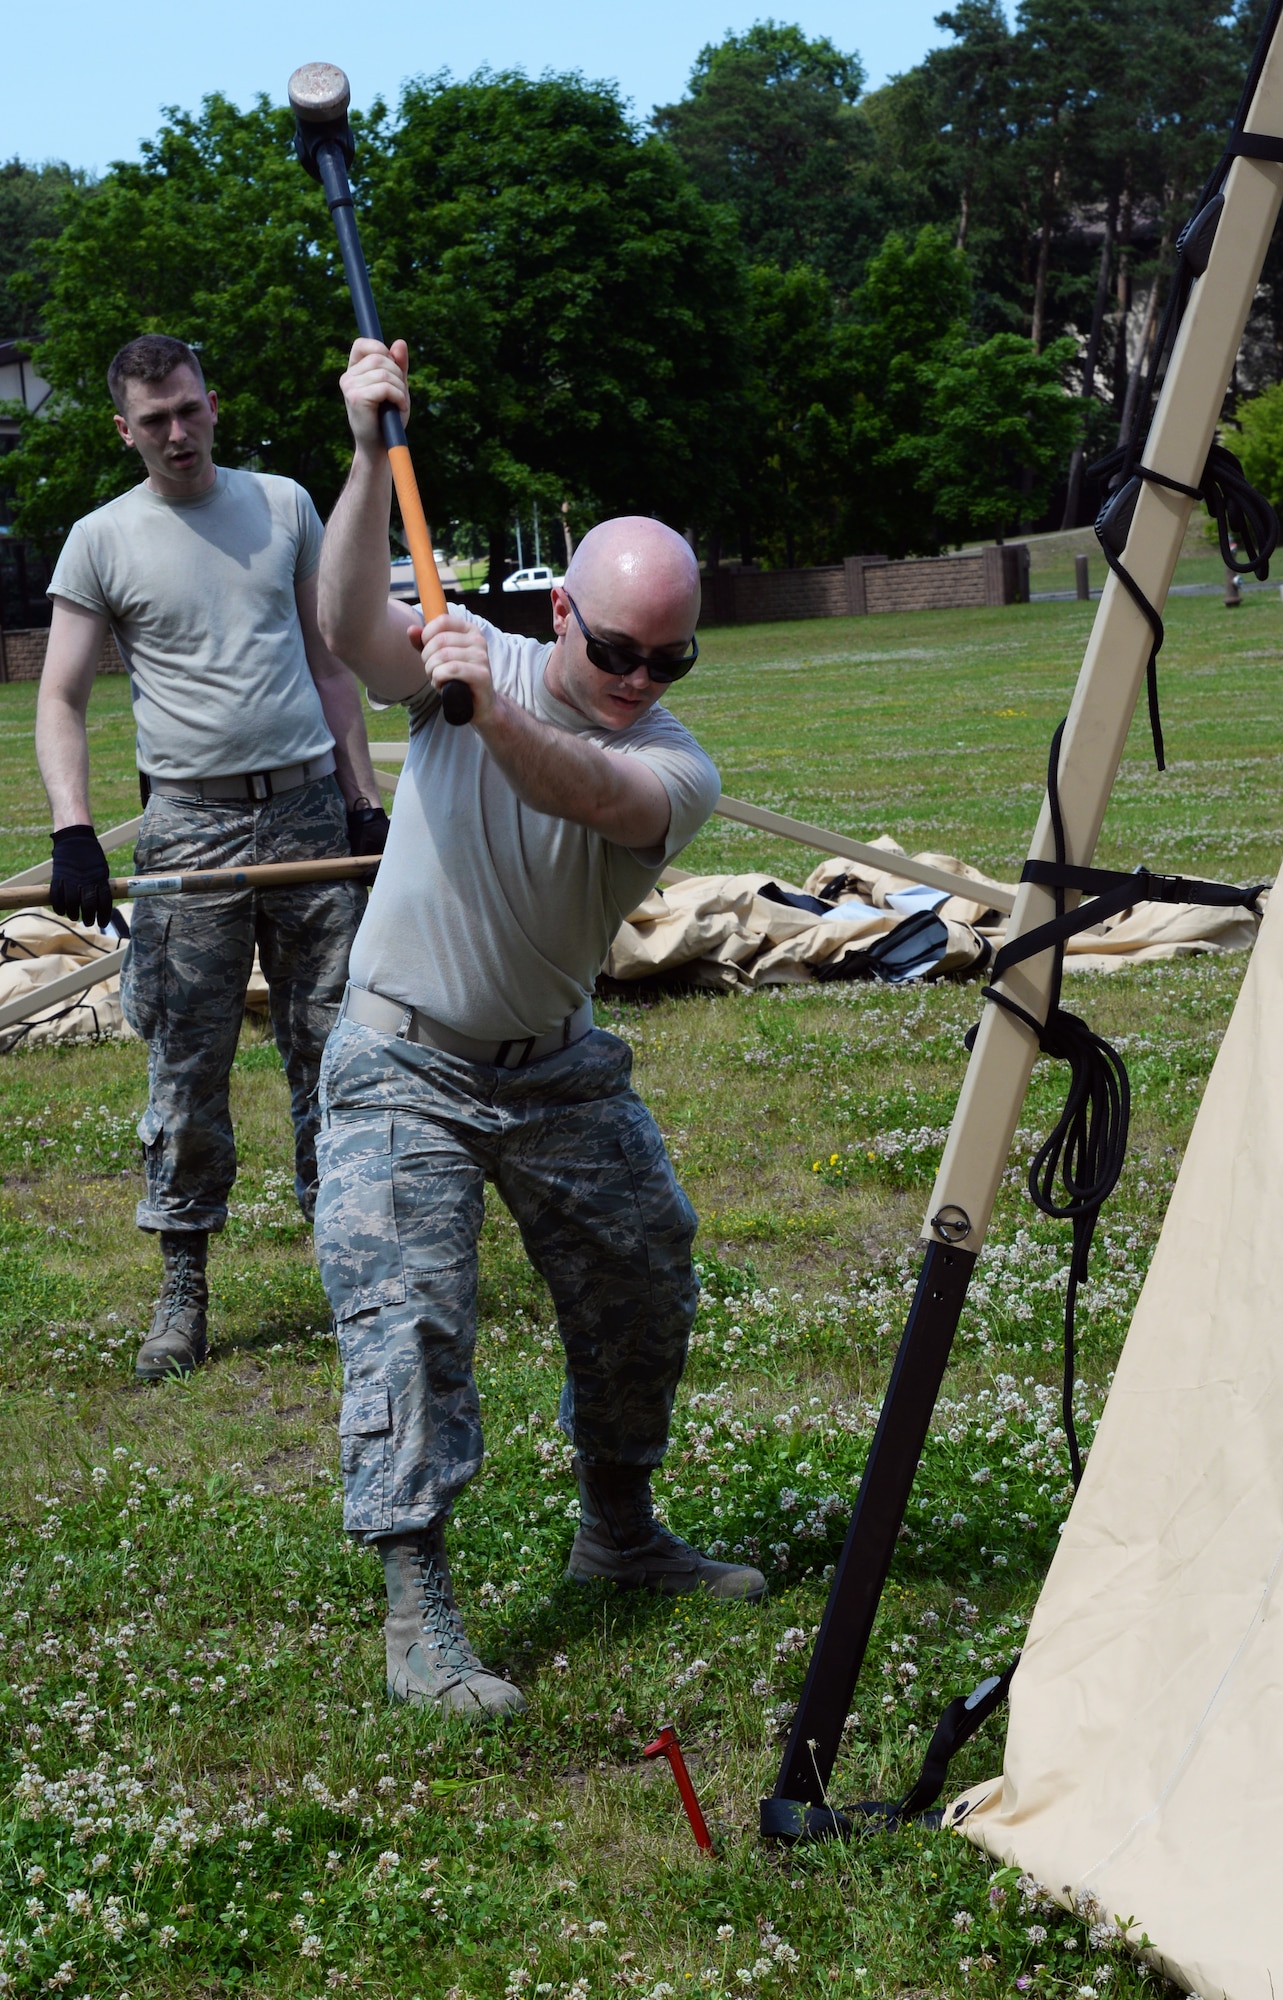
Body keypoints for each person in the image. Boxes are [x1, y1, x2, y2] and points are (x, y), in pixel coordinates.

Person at [314, 336, 764, 1720]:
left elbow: (589, 796)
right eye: (619, 649)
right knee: (411, 1316)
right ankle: (417, 1607)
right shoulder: (472, 651)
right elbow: (344, 628)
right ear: (562, 609)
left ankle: (619, 1530)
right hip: (403, 1056)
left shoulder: (673, 766)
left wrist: (487, 707)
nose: (641, 676)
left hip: (554, 1065)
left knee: (645, 1274)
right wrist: (359, 455)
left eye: (669, 655)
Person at [37, 334, 389, 1382]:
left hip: (305, 818)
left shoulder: (282, 504)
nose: (177, 434)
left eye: (189, 410)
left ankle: (352, 1264)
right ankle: (183, 1286)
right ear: (124, 429)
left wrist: (362, 801)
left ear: (214, 404)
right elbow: (61, 696)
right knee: (187, 1070)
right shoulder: (101, 538)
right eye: (154, 421)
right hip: (187, 830)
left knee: (336, 1049)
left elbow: (331, 664)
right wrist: (71, 830)